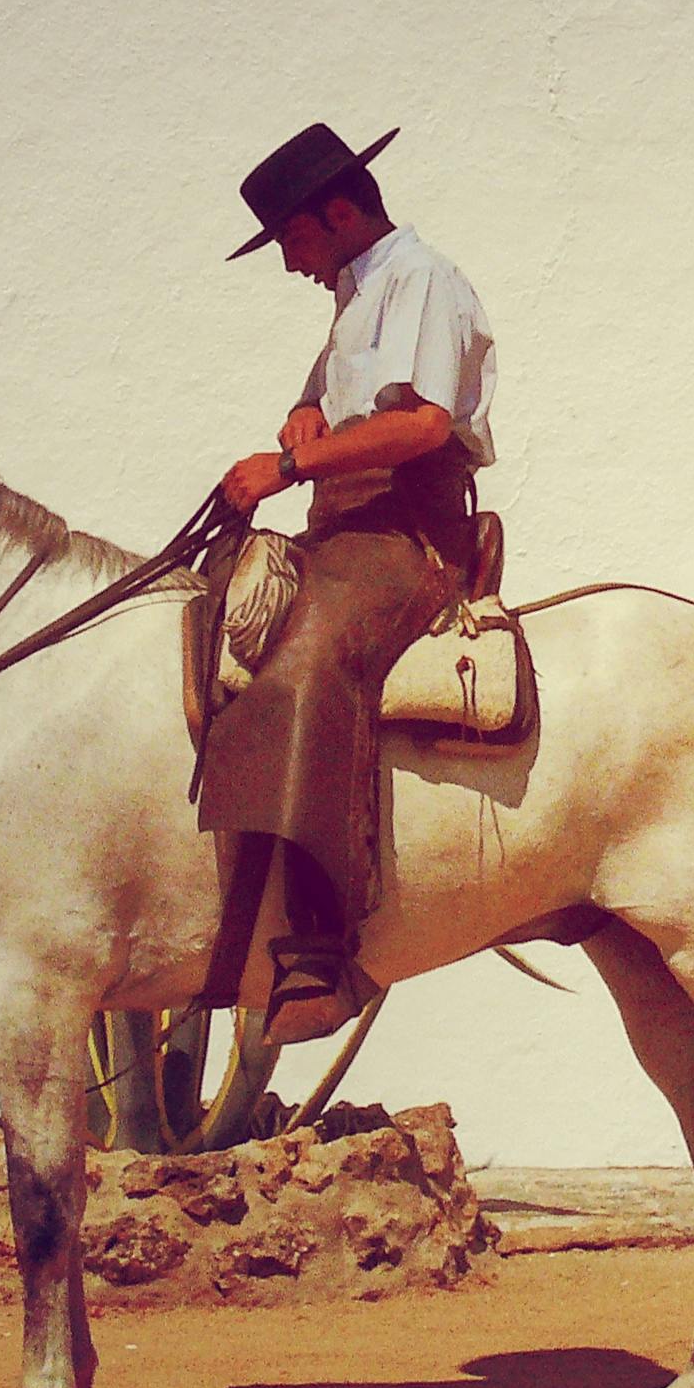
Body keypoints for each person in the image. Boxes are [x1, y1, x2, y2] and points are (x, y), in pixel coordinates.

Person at [197, 122, 498, 1045]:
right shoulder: (359, 292)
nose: (289, 261)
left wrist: (291, 472)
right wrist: (300, 415)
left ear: (337, 212)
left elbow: (421, 428)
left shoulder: (423, 280)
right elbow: (330, 395)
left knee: (305, 657)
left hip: (408, 529)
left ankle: (321, 949)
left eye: (292, 238)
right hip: (343, 520)